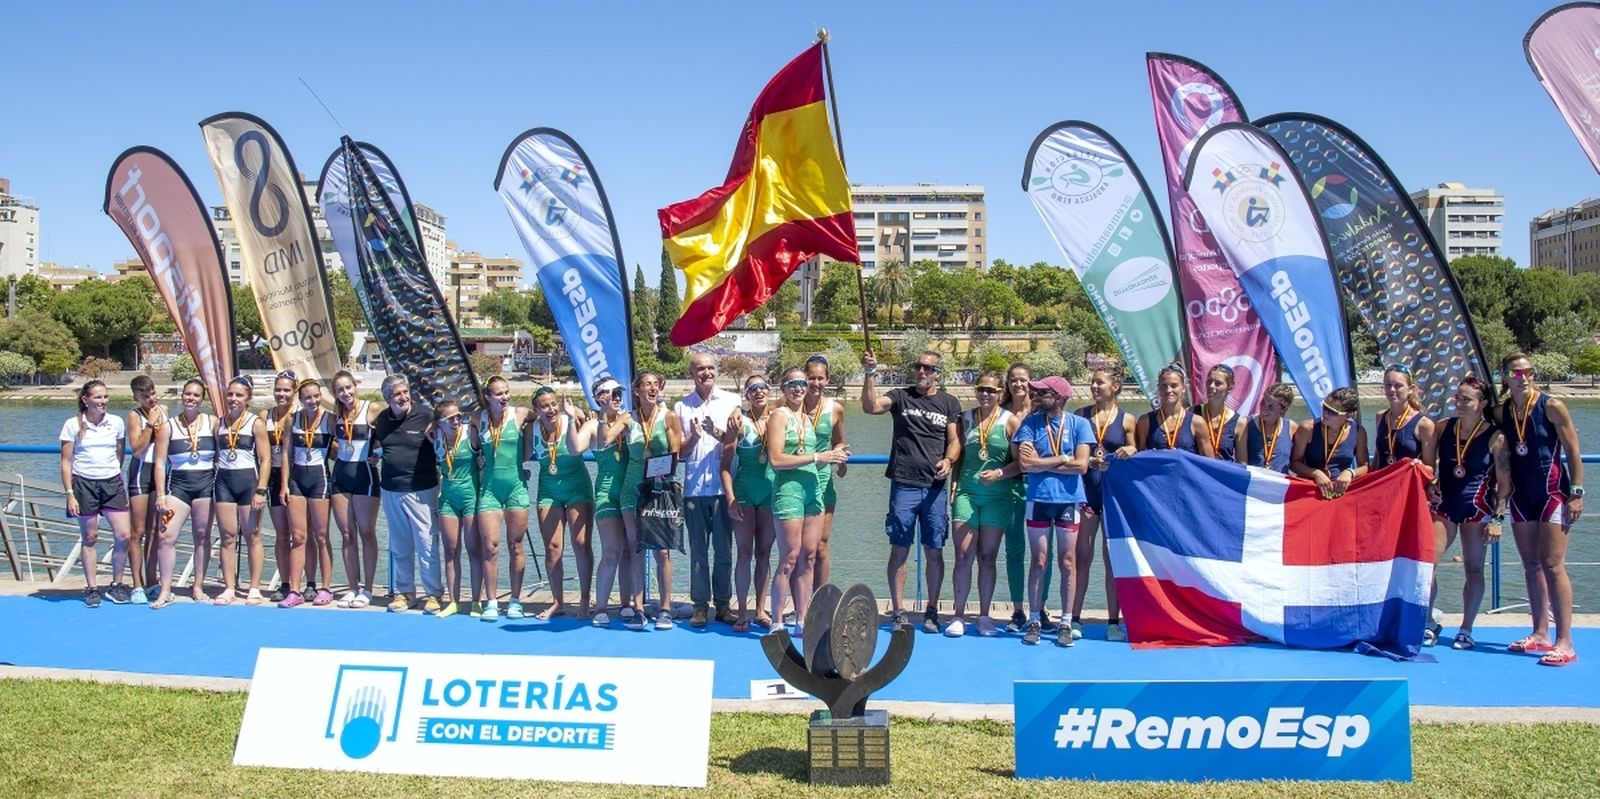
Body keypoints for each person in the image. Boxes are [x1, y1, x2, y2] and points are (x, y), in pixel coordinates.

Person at [861, 348, 962, 632]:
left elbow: (955, 441)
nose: (921, 372)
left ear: (938, 374)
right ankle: (898, 611)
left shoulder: (949, 403)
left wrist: (949, 459)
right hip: (904, 484)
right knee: (899, 550)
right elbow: (870, 406)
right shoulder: (900, 396)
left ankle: (931, 610)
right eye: (918, 367)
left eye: (928, 368)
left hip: (935, 488)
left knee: (934, 551)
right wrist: (870, 373)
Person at [1497, 352, 1582, 666]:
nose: (1523, 378)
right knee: (1530, 564)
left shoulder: (1551, 405)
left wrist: (1577, 493)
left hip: (1552, 493)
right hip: (1521, 496)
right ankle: (1540, 633)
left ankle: (1566, 642)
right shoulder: (1501, 410)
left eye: (1528, 372)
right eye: (1516, 373)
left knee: (1552, 565)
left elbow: (1573, 449)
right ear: (1504, 376)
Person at [1427, 376, 1510, 650]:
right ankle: (1428, 621)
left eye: (1467, 400)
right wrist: (1430, 486)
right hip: (1445, 505)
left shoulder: (1495, 436)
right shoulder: (1444, 427)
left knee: (1473, 569)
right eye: (1457, 398)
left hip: (1476, 508)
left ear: (1482, 403)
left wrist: (1498, 519)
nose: (1460, 404)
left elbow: (1505, 482)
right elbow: (1428, 464)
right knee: (1428, 563)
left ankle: (1466, 628)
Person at [767, 367, 849, 636]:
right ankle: (777, 620)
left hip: (813, 490)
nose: (799, 388)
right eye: (792, 383)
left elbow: (830, 445)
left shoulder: (807, 417)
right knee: (789, 558)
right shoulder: (779, 416)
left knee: (809, 557)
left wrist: (837, 453)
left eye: (802, 383)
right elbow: (777, 460)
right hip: (789, 489)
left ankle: (803, 619)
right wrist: (817, 457)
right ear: (783, 387)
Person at [1015, 375, 1095, 647]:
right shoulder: (1029, 423)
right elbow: (1025, 464)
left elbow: (1083, 465)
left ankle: (1065, 621)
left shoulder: (1080, 425)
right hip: (1038, 499)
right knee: (1038, 561)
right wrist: (1062, 458)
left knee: (1067, 561)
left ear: (1059, 397)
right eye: (1035, 392)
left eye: (1043, 393)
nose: (1036, 397)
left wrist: (1041, 462)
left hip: (1068, 500)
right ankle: (1035, 619)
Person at [947, 372, 1020, 637]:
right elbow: (958, 453)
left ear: (1001, 394)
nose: (985, 394)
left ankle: (985, 616)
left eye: (991, 390)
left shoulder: (1010, 422)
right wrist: (954, 483)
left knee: (988, 557)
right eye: (981, 389)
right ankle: (957, 615)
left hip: (998, 497)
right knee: (963, 556)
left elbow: (1020, 463)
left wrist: (999, 474)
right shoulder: (964, 419)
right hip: (967, 494)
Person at [674, 352, 742, 628]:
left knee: (724, 551)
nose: (706, 373)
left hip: (723, 489)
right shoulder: (681, 407)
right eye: (700, 369)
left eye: (711, 368)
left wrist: (716, 433)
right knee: (698, 552)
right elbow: (679, 452)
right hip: (694, 490)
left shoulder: (731, 401)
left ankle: (724, 605)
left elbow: (734, 442)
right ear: (692, 372)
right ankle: (700, 606)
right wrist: (692, 438)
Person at [1073, 366, 1138, 643]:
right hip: (1086, 494)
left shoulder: (1127, 420)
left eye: (1100, 383)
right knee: (1081, 558)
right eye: (1093, 383)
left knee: (1112, 561)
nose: (1095, 387)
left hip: (1114, 497)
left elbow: (1137, 451)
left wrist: (1131, 449)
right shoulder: (1080, 416)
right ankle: (1073, 618)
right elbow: (1070, 451)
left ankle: (1114, 621)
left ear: (1115, 387)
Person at [374, 374, 444, 615]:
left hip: (422, 490)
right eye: (396, 394)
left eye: (405, 392)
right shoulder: (381, 420)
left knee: (426, 543)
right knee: (400, 545)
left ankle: (433, 594)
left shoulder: (426, 415)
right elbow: (376, 445)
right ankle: (406, 593)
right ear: (387, 398)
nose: (403, 397)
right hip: (391, 489)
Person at [58, 380, 131, 608]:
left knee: (123, 535)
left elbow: (120, 453)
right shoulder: (72, 425)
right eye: (98, 397)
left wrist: (110, 472)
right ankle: (91, 588)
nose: (103, 402)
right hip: (83, 485)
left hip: (112, 484)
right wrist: (70, 492)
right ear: (85, 400)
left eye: (105, 397)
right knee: (90, 537)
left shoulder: (116, 423)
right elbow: (66, 461)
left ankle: (116, 584)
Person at [566, 377, 633, 627]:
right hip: (607, 492)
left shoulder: (630, 419)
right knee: (612, 550)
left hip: (632, 491)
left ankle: (627, 603)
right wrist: (572, 419)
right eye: (611, 394)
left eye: (619, 393)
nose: (616, 398)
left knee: (629, 551)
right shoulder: (594, 425)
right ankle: (601, 606)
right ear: (599, 398)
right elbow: (575, 449)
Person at [624, 370, 682, 630]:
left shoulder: (668, 416)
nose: (653, 388)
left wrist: (661, 474)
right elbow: (604, 437)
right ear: (636, 391)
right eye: (647, 385)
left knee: (661, 551)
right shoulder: (628, 419)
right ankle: (638, 609)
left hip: (659, 488)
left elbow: (675, 455)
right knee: (636, 549)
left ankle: (665, 608)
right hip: (631, 488)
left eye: (656, 385)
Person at [720, 374, 777, 632]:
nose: (758, 392)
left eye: (762, 387)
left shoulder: (780, 417)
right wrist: (730, 497)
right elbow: (724, 465)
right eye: (752, 389)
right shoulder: (738, 422)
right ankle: (741, 611)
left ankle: (760, 609)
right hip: (744, 491)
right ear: (747, 394)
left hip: (770, 491)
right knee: (744, 553)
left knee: (764, 553)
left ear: (770, 389)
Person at [532, 385, 595, 619]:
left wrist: (577, 413)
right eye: (544, 405)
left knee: (581, 545)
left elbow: (589, 423)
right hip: (548, 490)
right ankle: (557, 602)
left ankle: (585, 599)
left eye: (552, 404)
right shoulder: (532, 429)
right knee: (552, 549)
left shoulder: (572, 418)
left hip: (577, 486)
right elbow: (517, 456)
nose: (550, 409)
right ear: (536, 410)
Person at [153, 379, 217, 603]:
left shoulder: (212, 423)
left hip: (206, 485)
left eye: (196, 395)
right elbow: (160, 462)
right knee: (166, 537)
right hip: (178, 486)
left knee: (202, 536)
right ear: (182, 396)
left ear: (202, 399)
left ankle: (198, 586)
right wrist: (161, 494)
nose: (191, 398)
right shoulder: (168, 426)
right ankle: (165, 590)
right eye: (187, 394)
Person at [473, 376, 531, 621]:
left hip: (516, 487)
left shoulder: (520, 414)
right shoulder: (479, 418)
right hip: (489, 490)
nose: (505, 397)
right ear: (488, 397)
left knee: (516, 545)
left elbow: (548, 418)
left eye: (506, 392)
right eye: (499, 394)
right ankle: (492, 601)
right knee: (490, 547)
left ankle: (515, 601)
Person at [211, 376, 271, 605]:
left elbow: (265, 459)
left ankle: (254, 587)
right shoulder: (220, 422)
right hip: (224, 482)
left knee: (252, 535)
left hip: (248, 483)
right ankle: (229, 587)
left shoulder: (255, 423)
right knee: (227, 536)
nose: (233, 399)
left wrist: (261, 490)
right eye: (230, 395)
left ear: (248, 399)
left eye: (239, 395)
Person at [1000, 363, 1047, 633]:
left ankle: (1040, 608)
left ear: (1031, 383)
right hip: (1011, 487)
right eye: (1014, 380)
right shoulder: (1000, 414)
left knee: (1044, 554)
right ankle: (1018, 609)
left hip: (1041, 488)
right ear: (1008, 384)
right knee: (1015, 550)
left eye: (1024, 380)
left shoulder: (1043, 412)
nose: (1019, 385)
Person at [329, 371, 382, 609]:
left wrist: (379, 453)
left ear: (355, 386)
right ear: (335, 394)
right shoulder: (335, 416)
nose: (346, 393)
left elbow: (392, 431)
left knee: (366, 533)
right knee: (347, 534)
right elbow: (327, 443)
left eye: (348, 388)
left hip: (366, 478)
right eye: (340, 390)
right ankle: (352, 587)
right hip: (340, 478)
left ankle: (368, 589)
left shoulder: (372, 409)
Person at [278, 378, 333, 608]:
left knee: (321, 537)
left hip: (320, 480)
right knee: (298, 537)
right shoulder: (293, 419)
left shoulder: (330, 418)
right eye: (308, 397)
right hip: (297, 481)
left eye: (316, 396)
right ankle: (295, 590)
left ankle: (326, 587)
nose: (313, 401)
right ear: (300, 400)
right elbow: (286, 453)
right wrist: (284, 485)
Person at [432, 399, 478, 619]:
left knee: (473, 549)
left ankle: (477, 600)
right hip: (448, 498)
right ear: (440, 422)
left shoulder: (470, 434)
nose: (457, 421)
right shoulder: (436, 436)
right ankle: (453, 601)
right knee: (451, 551)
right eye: (451, 418)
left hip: (470, 497)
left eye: (459, 416)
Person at [804, 354, 848, 587]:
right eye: (811, 378)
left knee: (821, 545)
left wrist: (841, 457)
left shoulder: (836, 409)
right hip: (795, 480)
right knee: (800, 548)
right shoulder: (788, 404)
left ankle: (819, 601)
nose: (816, 383)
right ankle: (799, 604)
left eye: (821, 378)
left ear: (828, 380)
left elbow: (839, 442)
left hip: (823, 481)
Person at [123, 374, 165, 604]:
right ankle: (137, 584)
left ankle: (152, 581)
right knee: (137, 531)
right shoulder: (134, 416)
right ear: (136, 396)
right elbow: (137, 449)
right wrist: (150, 425)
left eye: (152, 394)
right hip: (140, 472)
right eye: (145, 396)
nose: (150, 399)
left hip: (160, 471)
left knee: (156, 530)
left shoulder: (164, 409)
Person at [259, 371, 299, 603]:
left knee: (303, 535)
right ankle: (285, 583)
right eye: (278, 390)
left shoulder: (301, 415)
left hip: (298, 476)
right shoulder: (266, 415)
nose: (281, 394)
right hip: (274, 477)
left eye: (286, 390)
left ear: (294, 393)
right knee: (282, 534)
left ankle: (306, 583)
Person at [1290, 386, 1369, 498]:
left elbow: (1365, 467)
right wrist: (1315, 473)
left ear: (1348, 415)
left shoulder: (1358, 432)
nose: (1325, 413)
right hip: (1311, 489)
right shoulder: (1308, 428)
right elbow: (1294, 463)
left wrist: (1350, 472)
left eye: (1332, 412)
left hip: (1341, 491)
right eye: (1324, 406)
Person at [1137, 365, 1214, 456]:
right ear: (1158, 388)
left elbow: (1208, 462)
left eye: (1174, 386)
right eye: (1164, 386)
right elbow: (1138, 458)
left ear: (1183, 388)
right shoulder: (1145, 421)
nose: (1168, 390)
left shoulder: (1197, 422)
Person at [1375, 365, 1435, 468]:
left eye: (1398, 385)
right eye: (1388, 385)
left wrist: (1420, 466)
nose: (1392, 390)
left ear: (1410, 389)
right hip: (1384, 483)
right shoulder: (1380, 417)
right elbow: (1377, 460)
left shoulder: (1424, 425)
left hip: (1407, 483)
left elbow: (1430, 468)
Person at [1237, 382, 1296, 474]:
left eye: (1271, 406)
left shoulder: (1292, 427)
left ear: (1283, 410)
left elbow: (1296, 463)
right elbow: (1242, 464)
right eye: (1263, 402)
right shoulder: (1246, 424)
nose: (1264, 408)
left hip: (1280, 485)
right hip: (1254, 483)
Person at [1196, 365, 1240, 461]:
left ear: (1230, 387)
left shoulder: (1239, 422)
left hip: (1224, 474)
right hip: (1197, 474)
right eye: (1209, 381)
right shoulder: (1192, 413)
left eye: (1218, 383)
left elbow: (1242, 463)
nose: (1211, 386)